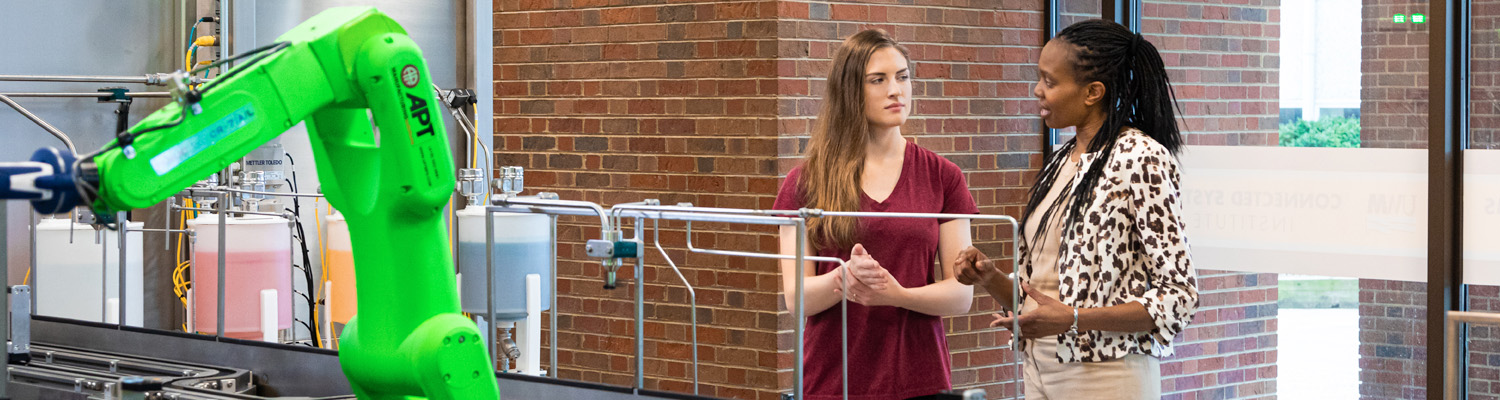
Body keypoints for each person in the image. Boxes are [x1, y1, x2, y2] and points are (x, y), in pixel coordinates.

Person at [954, 19, 1198, 400]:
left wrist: (1074, 319)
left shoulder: (1141, 158)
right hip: (1038, 367)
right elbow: (1042, 297)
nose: (1038, 90)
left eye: (1050, 82)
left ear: (1092, 92)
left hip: (1106, 376)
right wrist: (990, 278)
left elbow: (1178, 297)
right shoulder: (1058, 162)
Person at [773, 29, 979, 400]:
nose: (896, 90)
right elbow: (796, 298)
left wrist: (897, 294)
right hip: (832, 381)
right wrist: (844, 278)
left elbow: (960, 296)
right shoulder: (803, 181)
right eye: (878, 80)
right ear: (850, 91)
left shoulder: (944, 176)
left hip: (919, 378)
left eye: (902, 77)